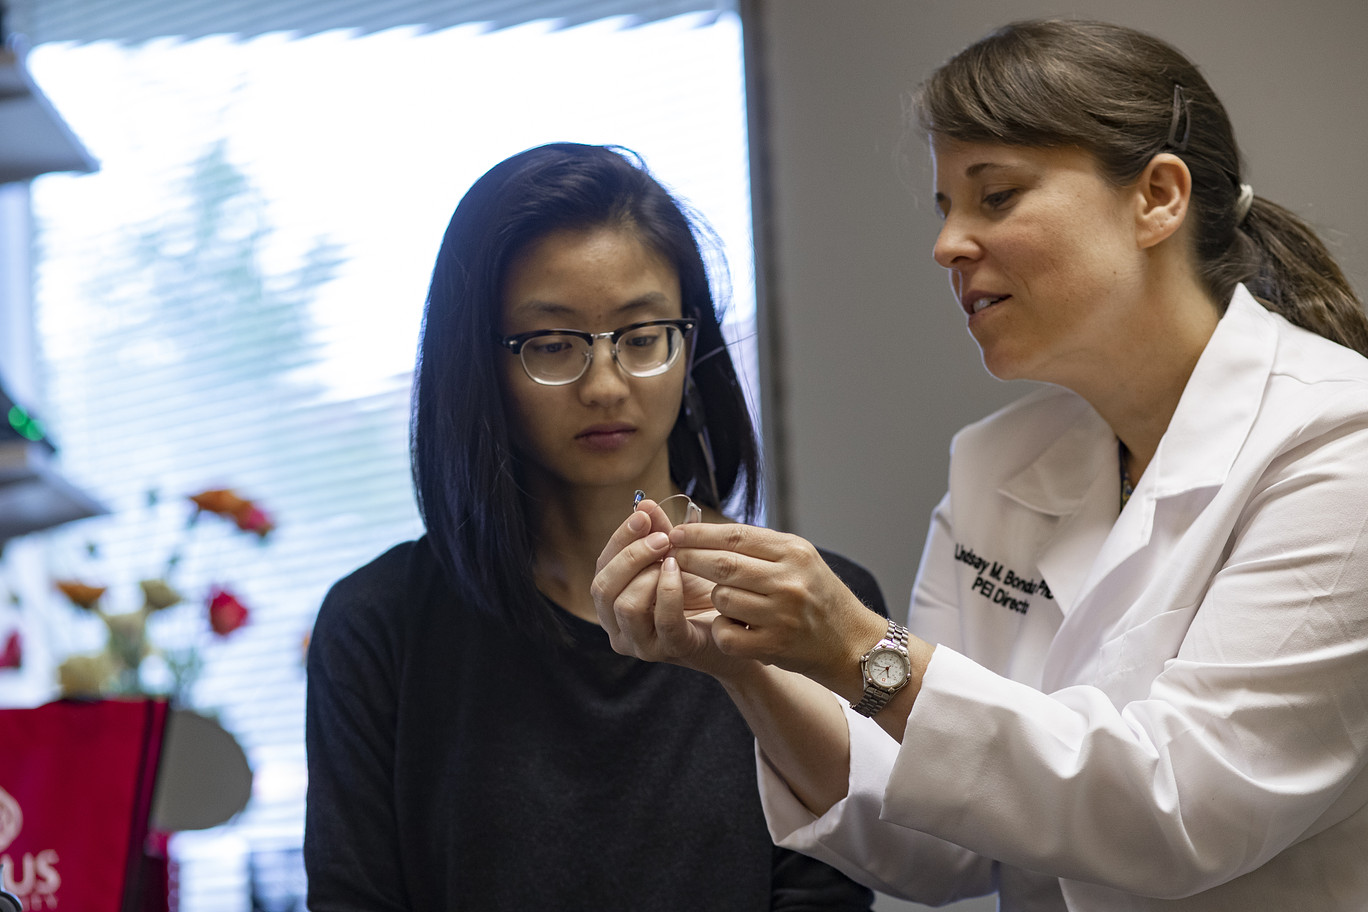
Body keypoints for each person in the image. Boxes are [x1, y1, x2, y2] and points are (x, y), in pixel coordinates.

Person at [592, 18, 1368, 912]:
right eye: (946, 207)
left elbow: (1178, 811)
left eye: (994, 197)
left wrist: (854, 646)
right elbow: (932, 833)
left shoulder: (1333, 443)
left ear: (1157, 197)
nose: (947, 245)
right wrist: (740, 662)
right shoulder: (997, 463)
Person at [303, 142, 882, 910]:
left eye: (642, 338)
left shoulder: (804, 600)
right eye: (551, 345)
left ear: (689, 342)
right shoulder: (381, 626)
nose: (605, 385)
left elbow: (832, 893)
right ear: (479, 365)